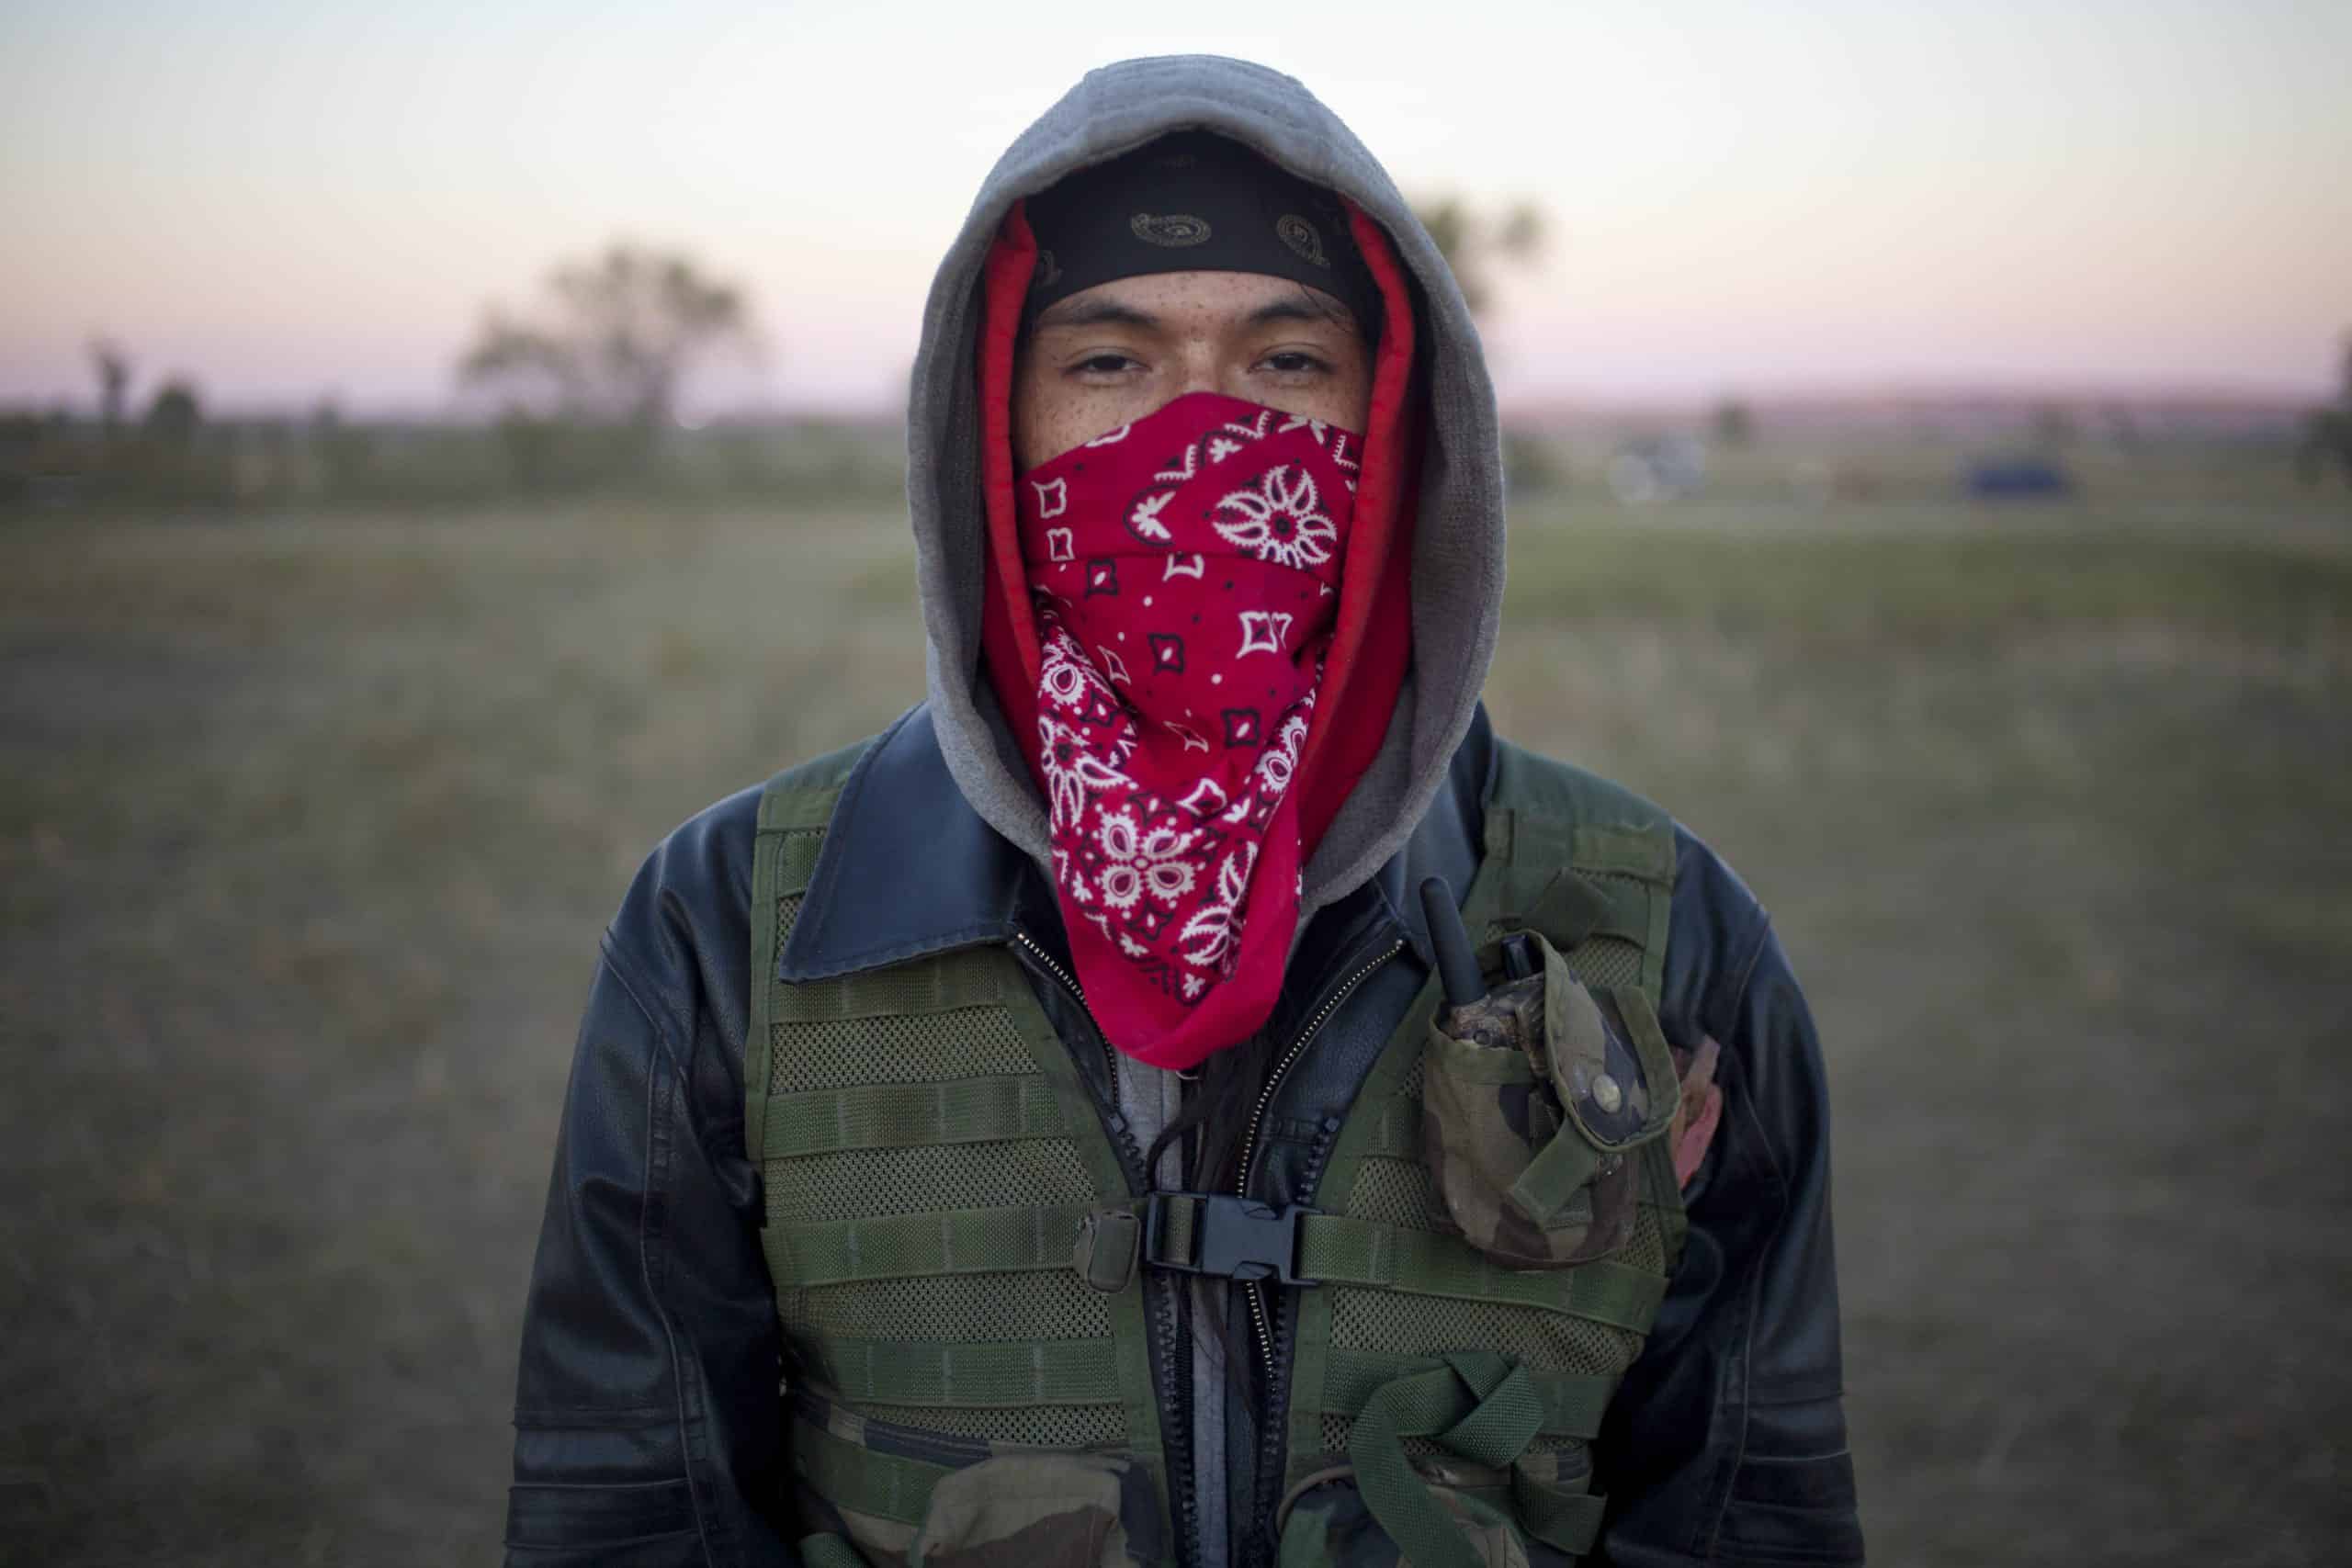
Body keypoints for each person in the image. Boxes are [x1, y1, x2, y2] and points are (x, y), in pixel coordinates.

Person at [505, 55, 1862, 1568]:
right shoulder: (731, 923)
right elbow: (632, 1514)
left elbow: (1748, 1515)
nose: (1203, 441)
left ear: (1397, 423)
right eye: (1110, 364)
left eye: (1288, 365)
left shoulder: (1665, 933)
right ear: (989, 432)